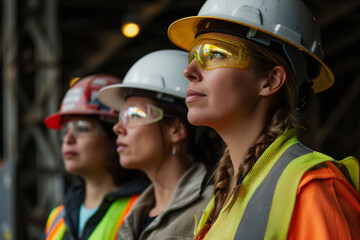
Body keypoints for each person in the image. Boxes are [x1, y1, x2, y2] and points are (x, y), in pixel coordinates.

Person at [167, 0, 360, 239]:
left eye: (215, 53)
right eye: (193, 55)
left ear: (271, 81)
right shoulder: (223, 198)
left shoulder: (313, 186)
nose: (189, 71)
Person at [98, 50, 218, 240]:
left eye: (135, 114)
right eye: (121, 116)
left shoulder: (214, 205)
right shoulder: (133, 214)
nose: (118, 128)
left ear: (177, 130)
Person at [42, 74, 148, 239]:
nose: (68, 139)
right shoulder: (58, 216)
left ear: (115, 136)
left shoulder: (144, 207)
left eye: (82, 128)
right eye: (65, 130)